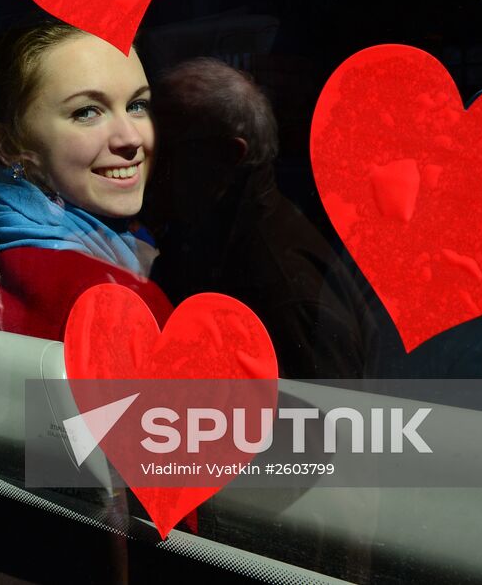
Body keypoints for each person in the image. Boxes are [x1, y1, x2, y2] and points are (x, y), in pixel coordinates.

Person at [148, 57, 374, 379]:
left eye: (167, 148)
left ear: (228, 155)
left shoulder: (277, 281)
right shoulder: (217, 240)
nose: (147, 162)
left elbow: (330, 423)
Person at [0, 21, 171, 340]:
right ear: (9, 146)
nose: (130, 138)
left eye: (136, 105)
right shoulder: (116, 300)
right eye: (87, 112)